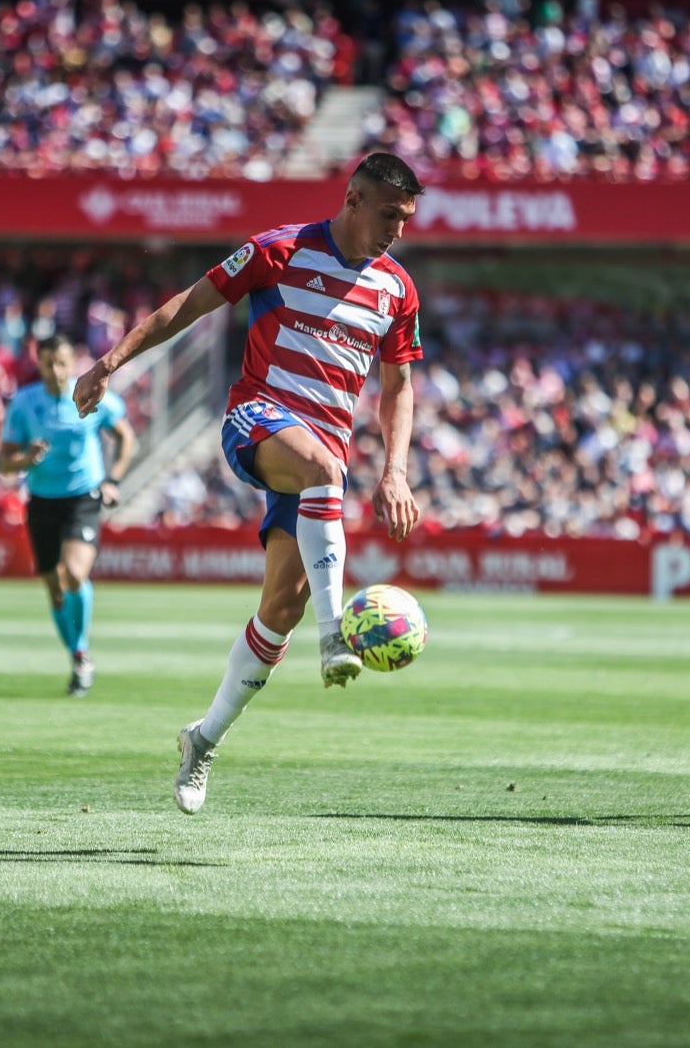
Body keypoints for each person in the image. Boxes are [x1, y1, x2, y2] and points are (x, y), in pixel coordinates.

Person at [72, 152, 425, 814]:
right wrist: (110, 362)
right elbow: (188, 306)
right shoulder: (279, 250)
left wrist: (396, 470)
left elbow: (398, 386)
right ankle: (335, 634)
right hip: (258, 419)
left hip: (322, 463)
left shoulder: (397, 290)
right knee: (322, 470)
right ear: (353, 200)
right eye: (389, 215)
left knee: (279, 610)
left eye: (406, 218)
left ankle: (202, 739)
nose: (398, 230)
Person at [0, 334, 137, 697]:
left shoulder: (91, 393)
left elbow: (126, 438)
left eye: (61, 363)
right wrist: (26, 459)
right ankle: (78, 656)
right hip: (42, 501)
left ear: (72, 363)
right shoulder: (24, 403)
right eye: (48, 364)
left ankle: (80, 653)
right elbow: (5, 462)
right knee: (55, 590)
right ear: (39, 364)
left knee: (74, 573)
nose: (55, 371)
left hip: (83, 498)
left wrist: (113, 480)